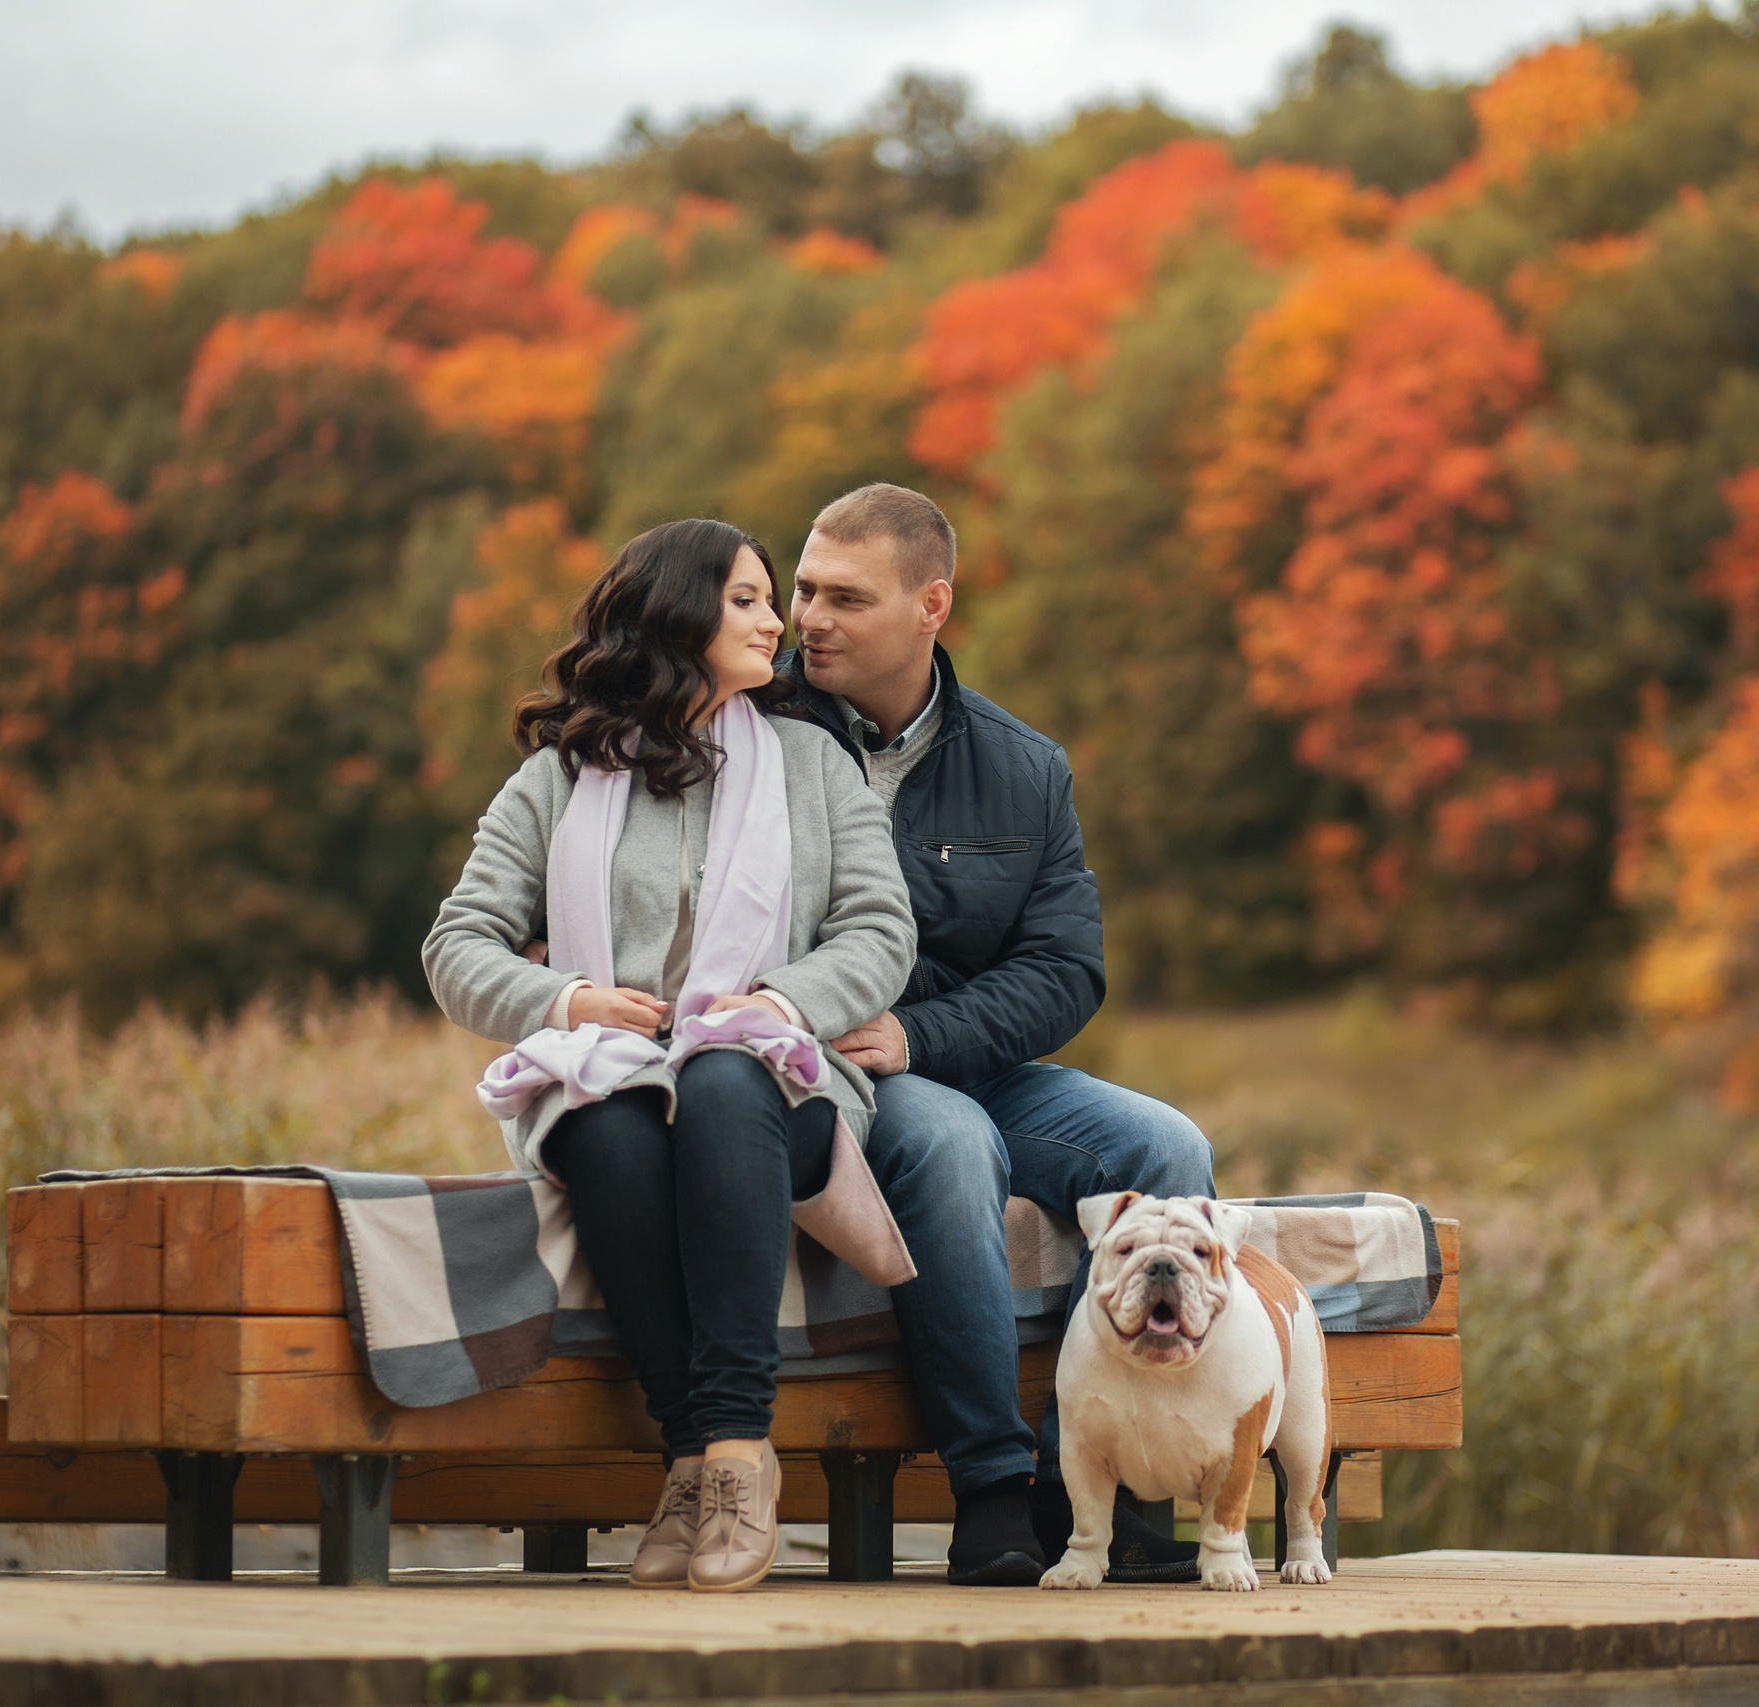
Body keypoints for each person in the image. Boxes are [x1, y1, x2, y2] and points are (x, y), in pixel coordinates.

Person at [424, 518, 917, 1593]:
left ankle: (740, 1451)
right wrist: (568, 999)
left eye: (768, 599)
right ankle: (686, 1459)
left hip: (777, 1083)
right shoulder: (560, 779)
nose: (774, 620)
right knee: (602, 1118)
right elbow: (453, 945)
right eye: (745, 600)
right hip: (618, 1078)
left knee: (725, 1075)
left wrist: (777, 1002)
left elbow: (882, 931)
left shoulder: (810, 762)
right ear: (677, 615)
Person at [777, 483, 1217, 1586]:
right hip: (818, 1067)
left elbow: (1068, 969)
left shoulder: (1025, 767)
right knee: (948, 1146)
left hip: (953, 1055)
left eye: (843, 597)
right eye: (801, 590)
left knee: (1164, 1147)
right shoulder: (753, 739)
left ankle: (1106, 1499)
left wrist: (923, 1036)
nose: (807, 619)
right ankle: (988, 1487)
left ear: (932, 605)